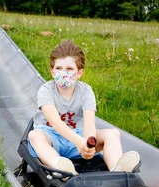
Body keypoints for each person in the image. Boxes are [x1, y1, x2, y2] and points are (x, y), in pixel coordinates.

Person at [27, 40, 140, 176]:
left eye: (69, 69)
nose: (64, 72)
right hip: (52, 137)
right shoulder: (46, 90)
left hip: (78, 136)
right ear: (52, 71)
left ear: (79, 73)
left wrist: (88, 145)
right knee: (34, 135)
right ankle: (61, 167)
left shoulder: (85, 91)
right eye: (59, 68)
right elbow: (55, 122)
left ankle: (118, 170)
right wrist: (79, 141)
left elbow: (89, 123)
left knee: (112, 133)